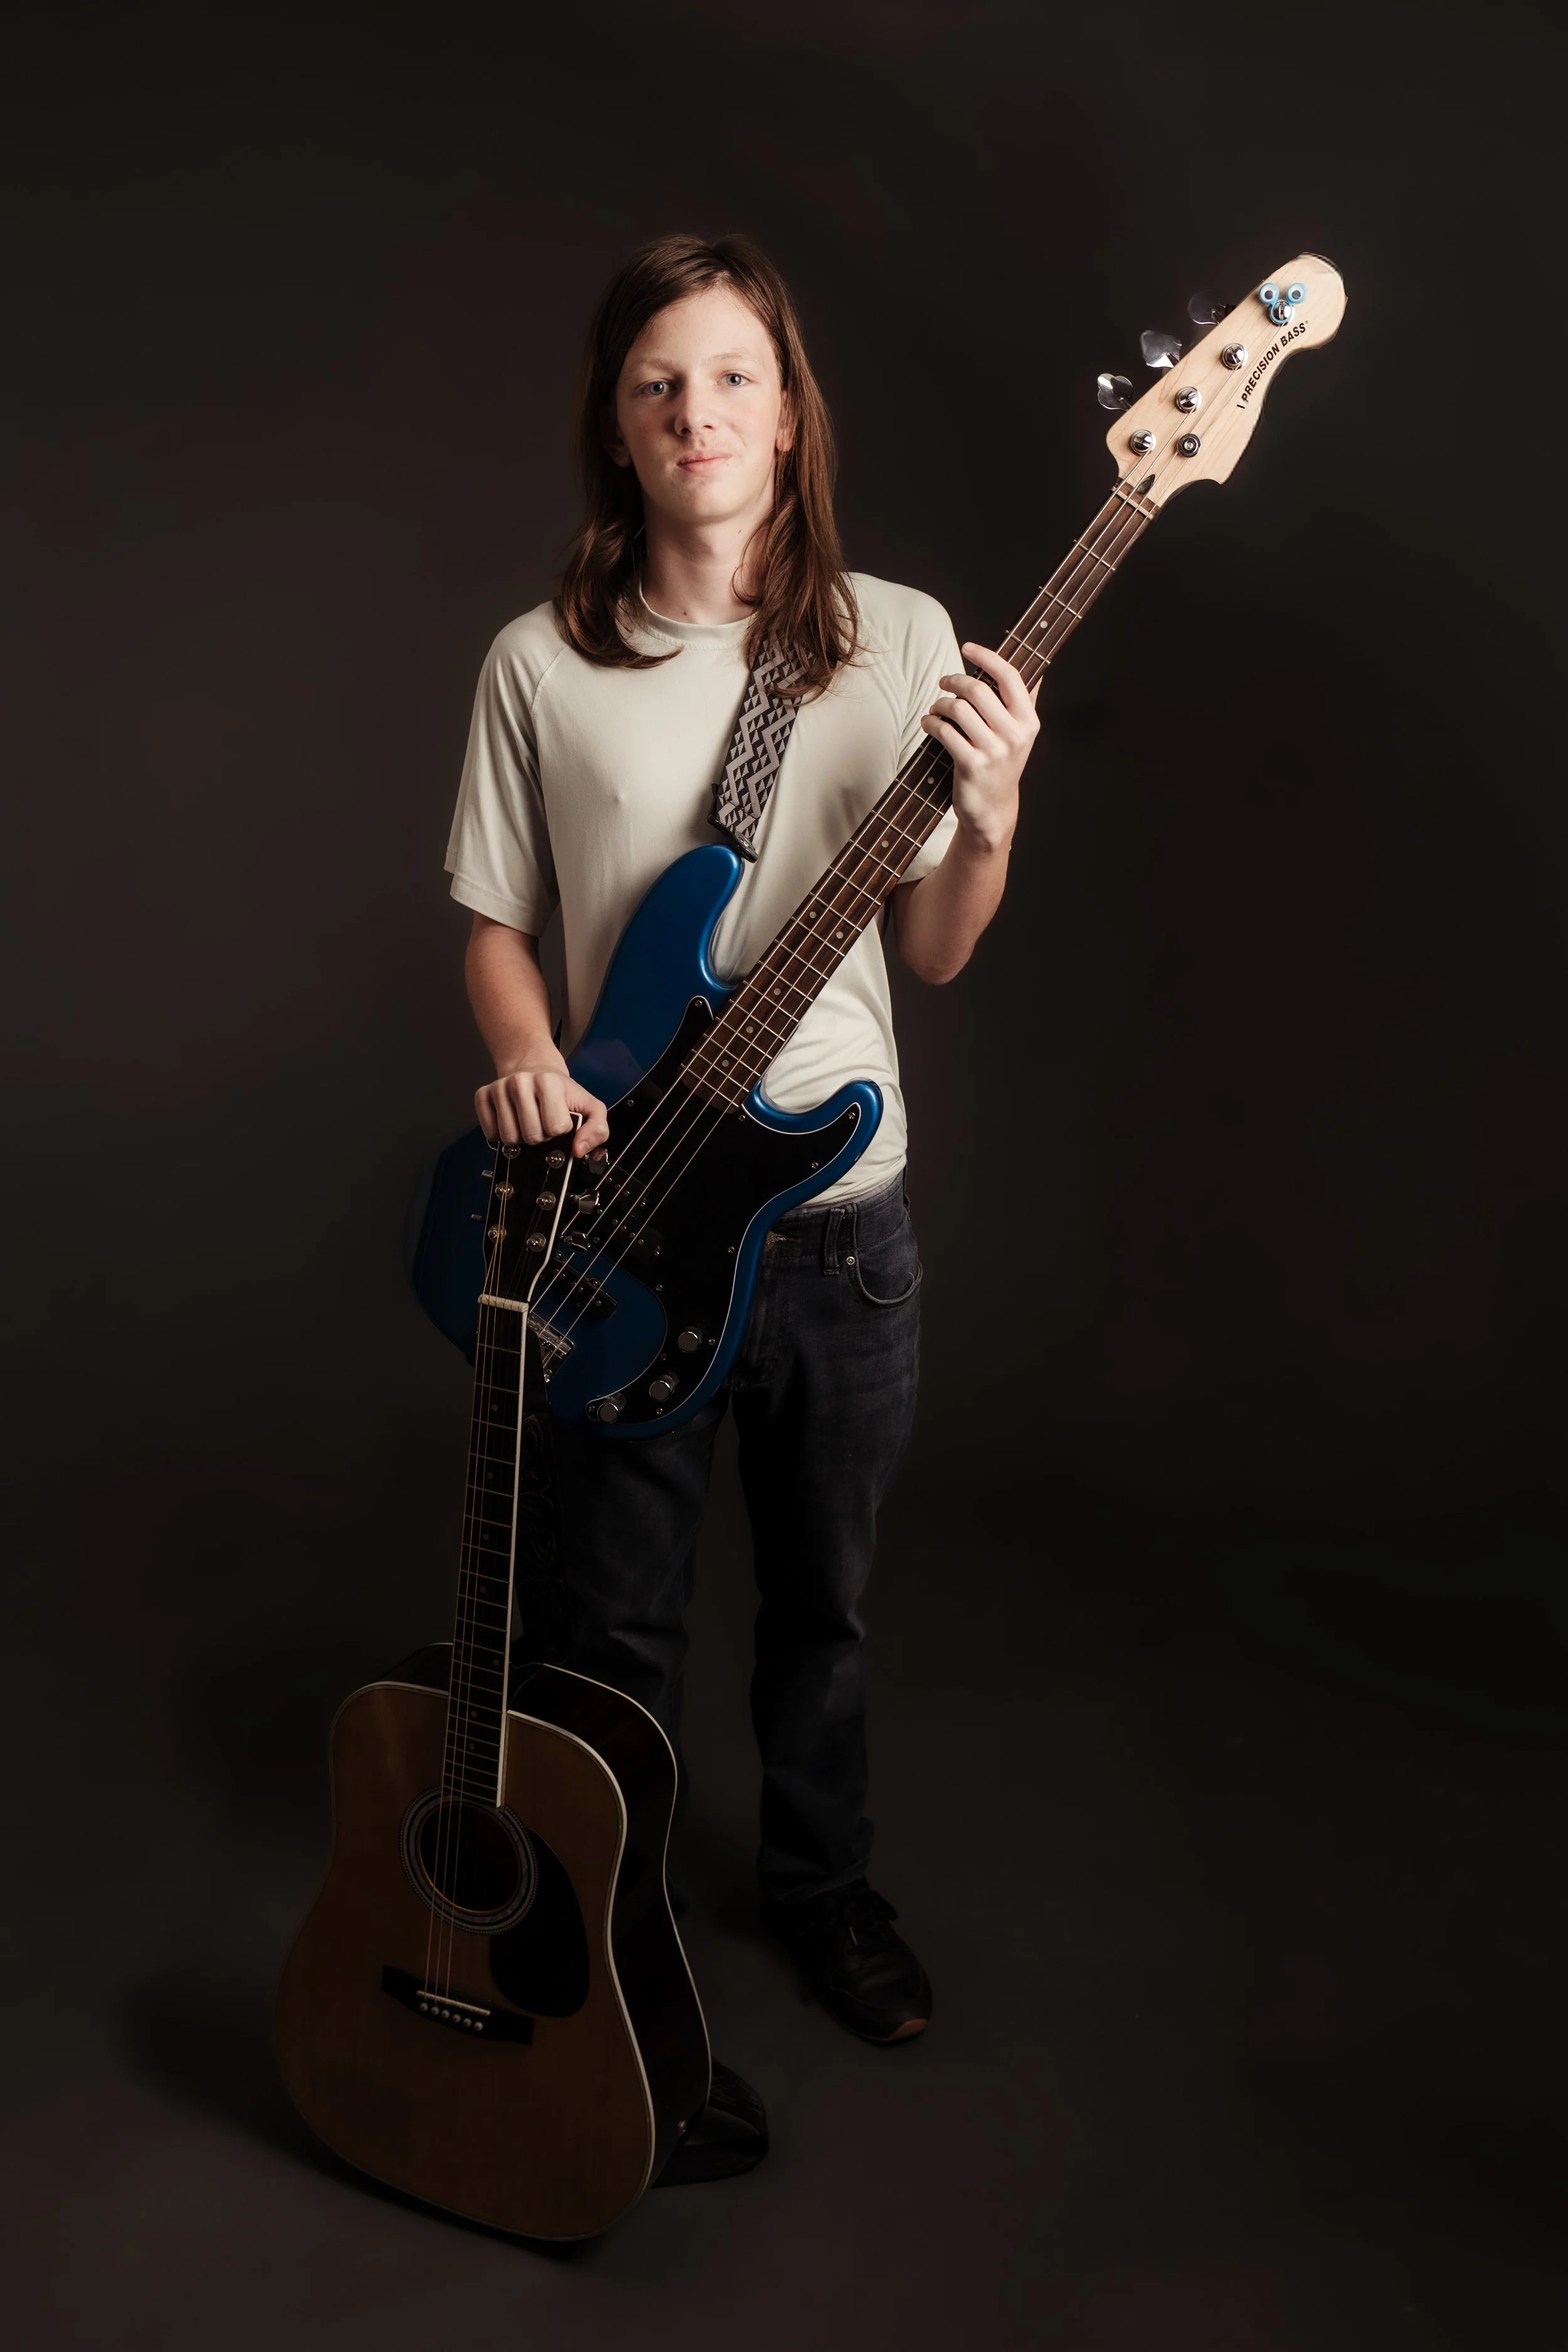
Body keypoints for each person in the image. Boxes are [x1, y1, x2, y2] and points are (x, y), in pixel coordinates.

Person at [444, 233, 1038, 2045]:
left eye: (727, 377)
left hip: (840, 1224)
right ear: (614, 433)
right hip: (621, 1213)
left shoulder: (901, 639)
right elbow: (492, 918)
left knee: (822, 1615)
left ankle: (822, 1890)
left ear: (789, 418)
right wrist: (533, 1057)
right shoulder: (543, 661)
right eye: (654, 384)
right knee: (607, 1624)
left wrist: (995, 813)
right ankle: (598, 1913)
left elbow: (929, 948)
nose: (691, 411)